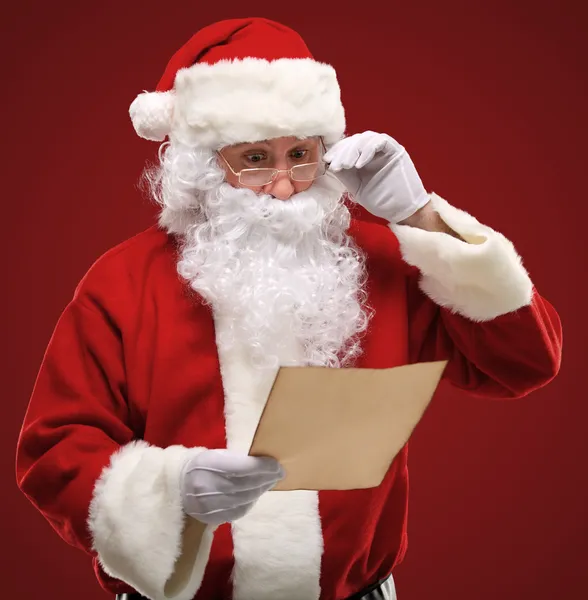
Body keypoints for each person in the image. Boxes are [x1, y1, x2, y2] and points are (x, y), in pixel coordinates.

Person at [16, 16, 562, 600]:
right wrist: (169, 492)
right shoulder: (123, 281)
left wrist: (418, 215)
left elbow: (525, 362)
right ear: (203, 169)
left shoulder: (384, 259)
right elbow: (53, 450)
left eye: (300, 154)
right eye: (254, 158)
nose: (283, 186)